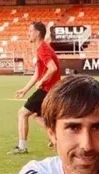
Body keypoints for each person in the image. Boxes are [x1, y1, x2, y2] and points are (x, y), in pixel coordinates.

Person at [10, 21, 61, 154]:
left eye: (30, 31)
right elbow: (37, 74)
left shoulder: (43, 49)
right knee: (36, 116)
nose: (28, 33)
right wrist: (25, 89)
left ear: (37, 33)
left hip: (47, 89)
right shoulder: (41, 49)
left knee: (22, 113)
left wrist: (42, 81)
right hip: (50, 89)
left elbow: (52, 68)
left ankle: (22, 147)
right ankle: (56, 137)